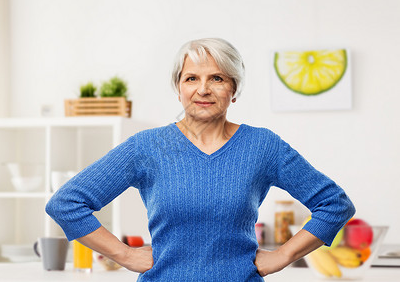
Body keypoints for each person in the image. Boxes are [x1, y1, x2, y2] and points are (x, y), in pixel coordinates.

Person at [46, 38, 355, 281]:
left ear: (234, 89)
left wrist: (281, 256)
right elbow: (67, 203)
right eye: (191, 78)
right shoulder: (147, 147)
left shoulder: (262, 146)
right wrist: (124, 255)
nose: (203, 89)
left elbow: (334, 204)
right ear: (178, 89)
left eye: (217, 78)